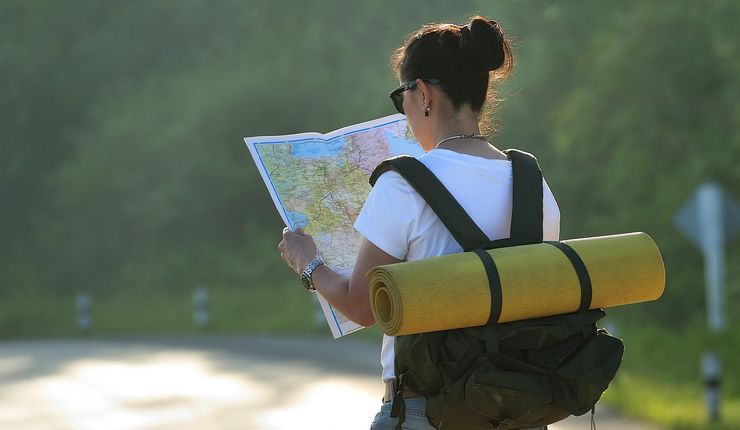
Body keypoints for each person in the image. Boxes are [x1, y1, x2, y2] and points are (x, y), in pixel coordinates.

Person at [278, 15, 560, 430]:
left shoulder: (402, 185)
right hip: (516, 411)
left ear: (423, 94)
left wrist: (309, 264)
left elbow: (361, 306)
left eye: (401, 97)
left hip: (426, 412)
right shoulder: (535, 186)